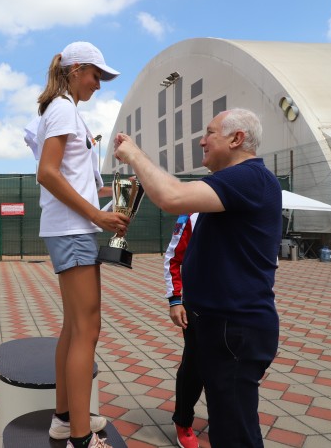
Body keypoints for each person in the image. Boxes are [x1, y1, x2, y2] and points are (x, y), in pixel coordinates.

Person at [115, 108, 281, 447]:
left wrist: (134, 154)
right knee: (226, 424)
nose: (202, 140)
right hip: (221, 325)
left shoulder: (249, 177)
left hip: (234, 327)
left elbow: (171, 197)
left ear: (237, 139)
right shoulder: (234, 185)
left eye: (210, 133)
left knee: (235, 433)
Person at [34, 41, 130, 448]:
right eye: (96, 75)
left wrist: (112, 197)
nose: (100, 84)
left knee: (74, 329)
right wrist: (97, 215)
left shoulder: (67, 110)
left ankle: (63, 419)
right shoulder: (60, 108)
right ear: (75, 70)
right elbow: (47, 173)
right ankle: (80, 438)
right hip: (73, 230)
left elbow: (72, 177)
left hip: (74, 228)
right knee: (87, 331)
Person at [163, 213, 202, 448]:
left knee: (231, 366)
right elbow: (173, 259)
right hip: (199, 304)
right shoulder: (192, 213)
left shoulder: (245, 203)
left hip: (237, 302)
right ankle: (183, 421)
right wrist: (175, 300)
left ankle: (227, 417)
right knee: (195, 364)